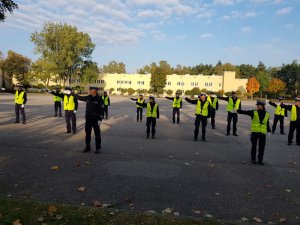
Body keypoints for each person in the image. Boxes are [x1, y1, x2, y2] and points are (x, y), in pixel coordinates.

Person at [237, 100, 271, 165]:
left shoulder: (267, 114)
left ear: (262, 106)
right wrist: (237, 110)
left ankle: (260, 160)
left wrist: (269, 131)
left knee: (262, 147)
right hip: (255, 132)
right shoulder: (254, 112)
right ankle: (253, 159)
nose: (257, 106)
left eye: (258, 105)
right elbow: (245, 112)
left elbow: (267, 123)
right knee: (254, 146)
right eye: (257, 105)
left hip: (262, 133)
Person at [72, 87, 104, 153]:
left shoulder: (99, 99)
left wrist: (100, 119)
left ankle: (98, 148)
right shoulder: (88, 97)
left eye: (90, 90)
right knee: (88, 134)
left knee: (97, 134)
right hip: (88, 119)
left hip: (96, 119)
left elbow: (102, 110)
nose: (88, 90)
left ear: (94, 91)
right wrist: (72, 94)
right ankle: (87, 147)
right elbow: (80, 98)